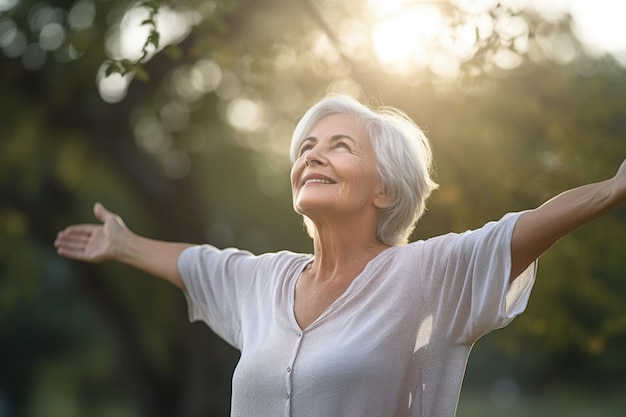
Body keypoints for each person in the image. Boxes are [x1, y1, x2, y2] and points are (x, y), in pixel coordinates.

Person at [54, 94, 626, 417]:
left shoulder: (424, 275)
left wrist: (610, 190)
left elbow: (519, 231)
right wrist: (125, 245)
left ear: (384, 190)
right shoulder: (265, 282)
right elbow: (198, 263)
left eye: (340, 146)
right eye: (306, 148)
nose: (313, 156)